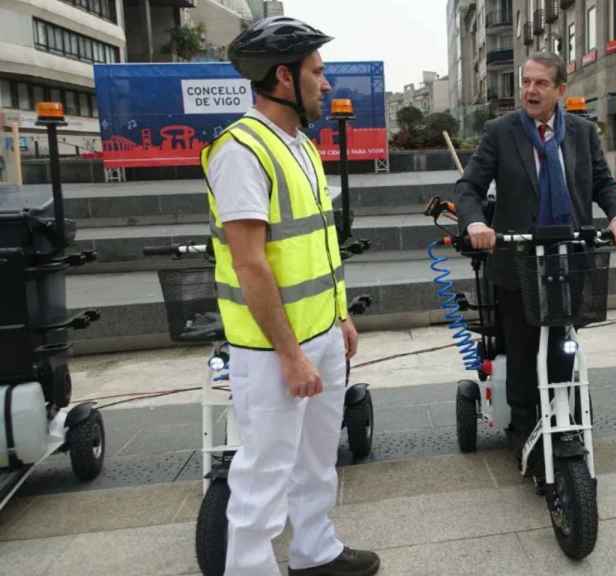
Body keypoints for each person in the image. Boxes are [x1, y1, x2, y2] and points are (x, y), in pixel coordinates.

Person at [205, 17, 379, 576]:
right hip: (271, 349)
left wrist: (340, 317)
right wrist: (289, 353)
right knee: (264, 474)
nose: (326, 84)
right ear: (284, 76)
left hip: (320, 332)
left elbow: (317, 246)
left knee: (316, 458)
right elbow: (250, 264)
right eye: (317, 72)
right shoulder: (241, 151)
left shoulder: (300, 144)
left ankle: (315, 551)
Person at [455, 52, 616, 454]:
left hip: (569, 259)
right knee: (521, 350)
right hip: (517, 261)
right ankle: (522, 431)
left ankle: (565, 415)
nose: (531, 91)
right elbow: (469, 187)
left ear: (560, 90)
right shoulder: (501, 131)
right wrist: (476, 224)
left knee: (563, 346)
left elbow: (603, 184)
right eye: (526, 82)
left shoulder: (582, 132)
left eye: (541, 84)